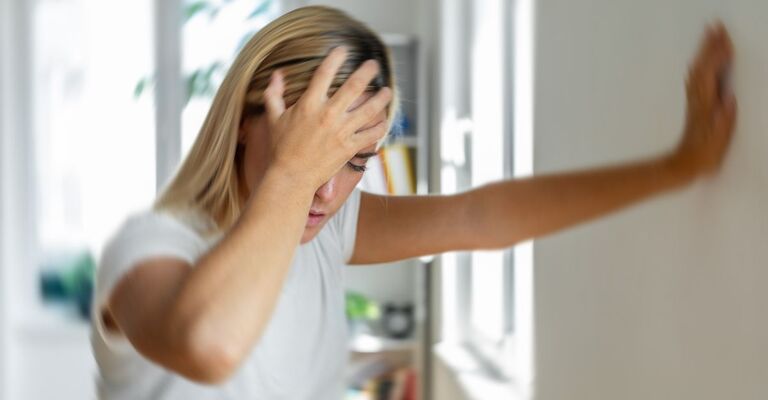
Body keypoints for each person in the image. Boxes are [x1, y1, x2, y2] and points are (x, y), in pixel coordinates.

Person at [90, 5, 736, 400]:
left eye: (354, 164)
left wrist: (680, 165)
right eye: (307, 151)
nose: (326, 190)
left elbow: (482, 217)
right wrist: (293, 172)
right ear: (242, 119)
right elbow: (211, 345)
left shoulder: (322, 230)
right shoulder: (148, 248)